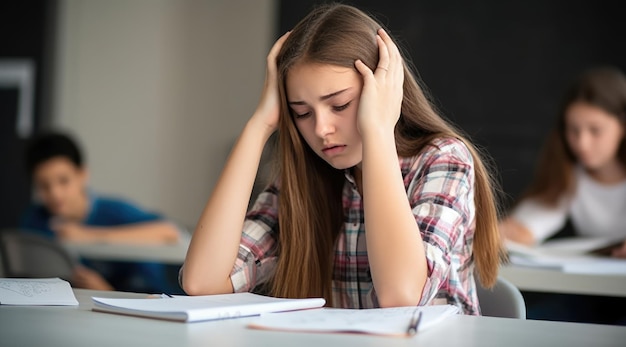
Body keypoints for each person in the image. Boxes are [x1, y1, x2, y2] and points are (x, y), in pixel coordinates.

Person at [181, 3, 505, 315]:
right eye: (302, 113)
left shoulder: (442, 160)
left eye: (340, 105)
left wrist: (378, 128)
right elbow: (202, 282)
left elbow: (402, 296)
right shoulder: (304, 178)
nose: (321, 129)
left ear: (384, 93)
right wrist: (259, 125)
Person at [499, 66, 626, 324]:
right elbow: (524, 227)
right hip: (591, 296)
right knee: (527, 325)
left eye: (595, 130)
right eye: (574, 130)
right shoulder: (570, 177)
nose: (582, 142)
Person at [20, 131, 182, 293]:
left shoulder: (114, 211)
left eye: (63, 181)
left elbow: (168, 231)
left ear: (82, 174)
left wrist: (88, 236)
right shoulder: (34, 220)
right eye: (44, 186)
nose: (55, 193)